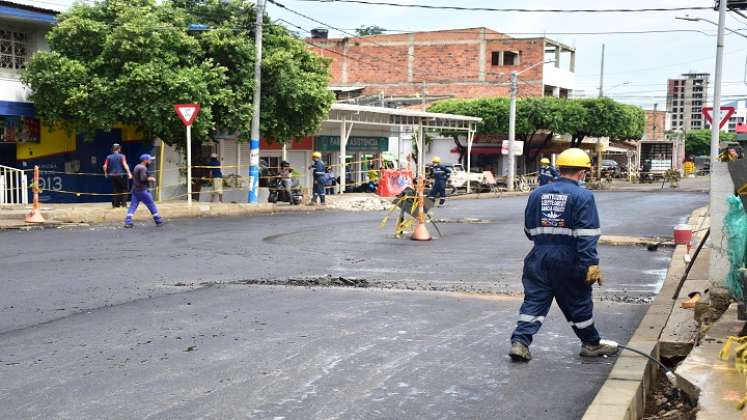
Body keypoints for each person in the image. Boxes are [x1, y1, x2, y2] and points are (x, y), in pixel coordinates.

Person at [509, 147, 617, 362]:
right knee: (578, 302)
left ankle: (520, 342)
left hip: (538, 257)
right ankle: (591, 344)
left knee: (535, 301)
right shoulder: (583, 196)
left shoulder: (537, 193)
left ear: (560, 169)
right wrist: (591, 265)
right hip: (570, 259)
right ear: (582, 172)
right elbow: (587, 235)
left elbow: (529, 231)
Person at [124, 154, 163, 228]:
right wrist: (151, 179)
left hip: (135, 190)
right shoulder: (143, 168)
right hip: (142, 190)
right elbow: (143, 179)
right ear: (145, 160)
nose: (150, 160)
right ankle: (158, 220)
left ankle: (128, 221)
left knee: (133, 205)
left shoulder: (137, 166)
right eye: (149, 159)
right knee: (151, 204)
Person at [103, 143, 132, 208]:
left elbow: (104, 166)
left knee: (115, 189)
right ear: (119, 149)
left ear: (113, 149)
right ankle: (124, 204)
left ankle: (115, 205)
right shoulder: (122, 156)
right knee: (125, 188)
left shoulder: (108, 157)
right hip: (120, 175)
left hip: (112, 175)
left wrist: (105, 173)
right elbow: (125, 165)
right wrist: (129, 173)